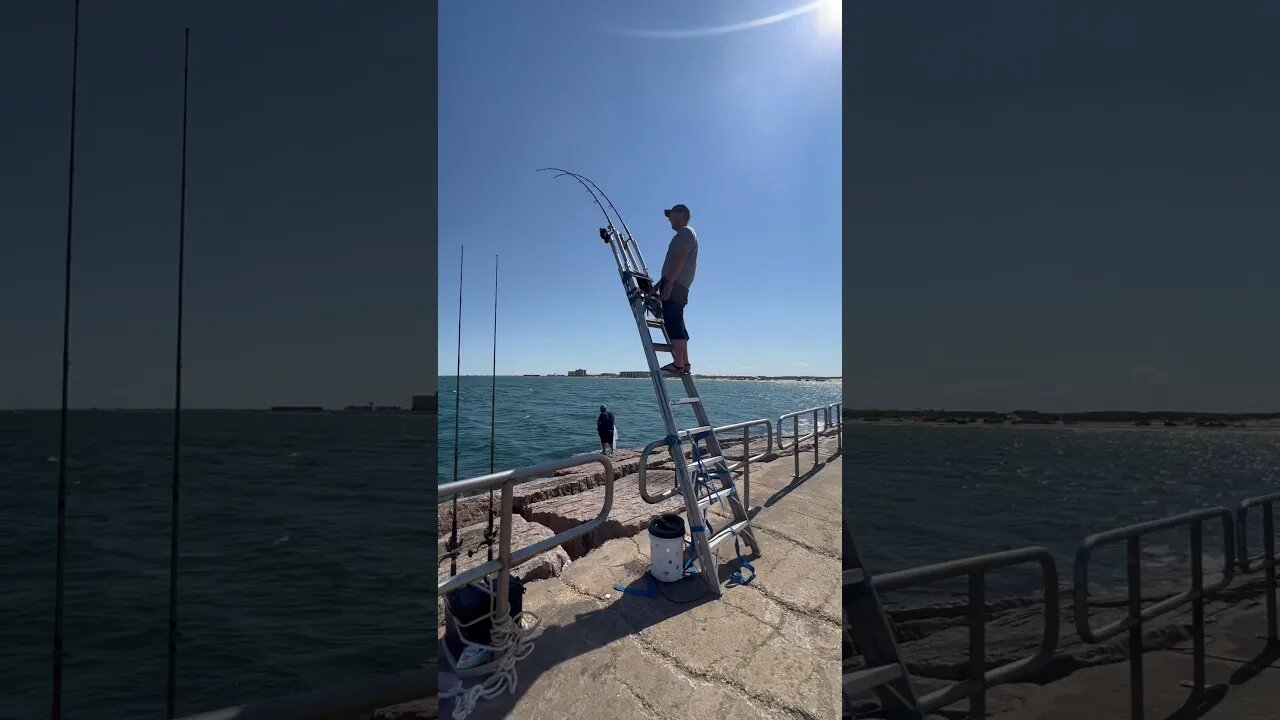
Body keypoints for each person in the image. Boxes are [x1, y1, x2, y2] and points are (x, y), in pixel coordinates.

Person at [653, 203, 697, 377]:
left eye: (670, 215)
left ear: (681, 214)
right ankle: (684, 363)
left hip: (676, 285)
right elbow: (673, 263)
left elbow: (681, 258)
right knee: (678, 321)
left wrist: (669, 283)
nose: (668, 219)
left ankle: (678, 364)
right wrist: (658, 286)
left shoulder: (685, 233)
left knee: (673, 322)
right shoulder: (683, 234)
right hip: (675, 283)